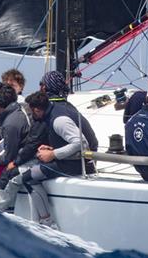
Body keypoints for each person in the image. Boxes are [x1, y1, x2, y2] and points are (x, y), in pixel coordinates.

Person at [20, 90, 99, 227]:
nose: (32, 116)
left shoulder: (58, 120)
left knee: (28, 177)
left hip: (77, 165)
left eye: (32, 112)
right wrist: (51, 148)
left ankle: (47, 222)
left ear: (37, 110)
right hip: (72, 159)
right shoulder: (56, 111)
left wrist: (53, 154)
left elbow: (80, 143)